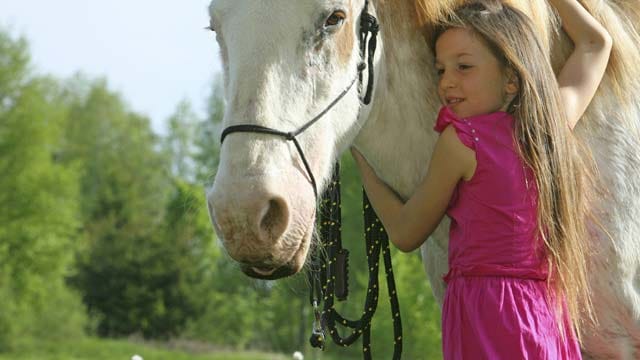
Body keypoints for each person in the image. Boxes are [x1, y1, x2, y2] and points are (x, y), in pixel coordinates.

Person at [350, 0, 612, 358]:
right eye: (440, 69)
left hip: (489, 314)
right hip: (544, 313)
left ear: (511, 78)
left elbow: (406, 231)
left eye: (464, 67)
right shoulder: (551, 130)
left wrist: (357, 150)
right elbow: (596, 44)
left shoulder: (462, 141)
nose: (447, 83)